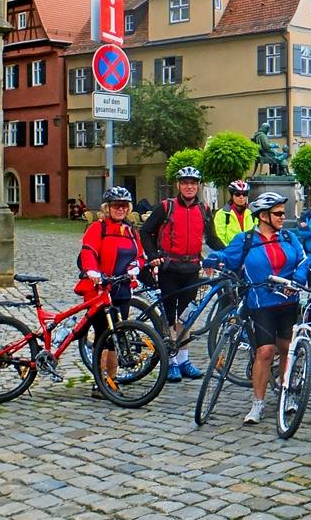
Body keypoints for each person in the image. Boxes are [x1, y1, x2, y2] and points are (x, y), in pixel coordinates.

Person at [205, 192, 307, 424]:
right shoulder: (246, 240)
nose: (283, 217)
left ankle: (286, 393)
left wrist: (298, 279)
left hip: (288, 302)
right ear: (263, 216)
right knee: (264, 352)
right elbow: (227, 256)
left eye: (284, 212)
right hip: (261, 303)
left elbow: (302, 260)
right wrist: (213, 259)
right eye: (278, 213)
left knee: (286, 349)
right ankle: (258, 403)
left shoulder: (289, 237)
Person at [140, 166, 224, 382]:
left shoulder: (204, 209)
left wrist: (227, 254)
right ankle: (170, 360)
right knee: (170, 316)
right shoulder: (166, 207)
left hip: (191, 269)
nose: (189, 186)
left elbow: (212, 238)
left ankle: (184, 360)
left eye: (193, 183)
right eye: (185, 183)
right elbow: (145, 231)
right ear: (178, 185)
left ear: (198, 186)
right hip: (170, 268)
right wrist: (152, 255)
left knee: (187, 317)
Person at [77, 187, 145, 399]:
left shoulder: (131, 231)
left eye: (124, 206)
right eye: (116, 205)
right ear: (107, 208)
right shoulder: (98, 228)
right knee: (102, 336)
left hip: (122, 289)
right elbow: (88, 251)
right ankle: (99, 382)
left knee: (118, 335)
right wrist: (92, 271)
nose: (120, 209)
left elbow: (140, 255)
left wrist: (136, 266)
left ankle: (111, 379)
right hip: (100, 290)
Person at [213, 180, 252, 247]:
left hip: (249, 252)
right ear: (232, 196)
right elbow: (219, 238)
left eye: (244, 194)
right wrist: (229, 251)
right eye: (237, 194)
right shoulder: (222, 214)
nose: (241, 197)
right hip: (231, 253)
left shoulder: (252, 214)